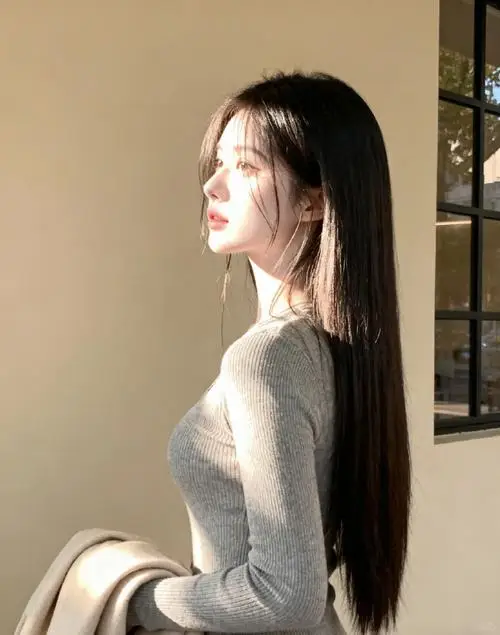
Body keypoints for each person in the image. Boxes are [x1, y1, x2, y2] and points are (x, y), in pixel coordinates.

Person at [127, 71, 412, 635]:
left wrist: (136, 599)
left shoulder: (269, 358)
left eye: (246, 167)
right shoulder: (333, 347)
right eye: (219, 163)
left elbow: (286, 595)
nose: (213, 185)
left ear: (313, 201)